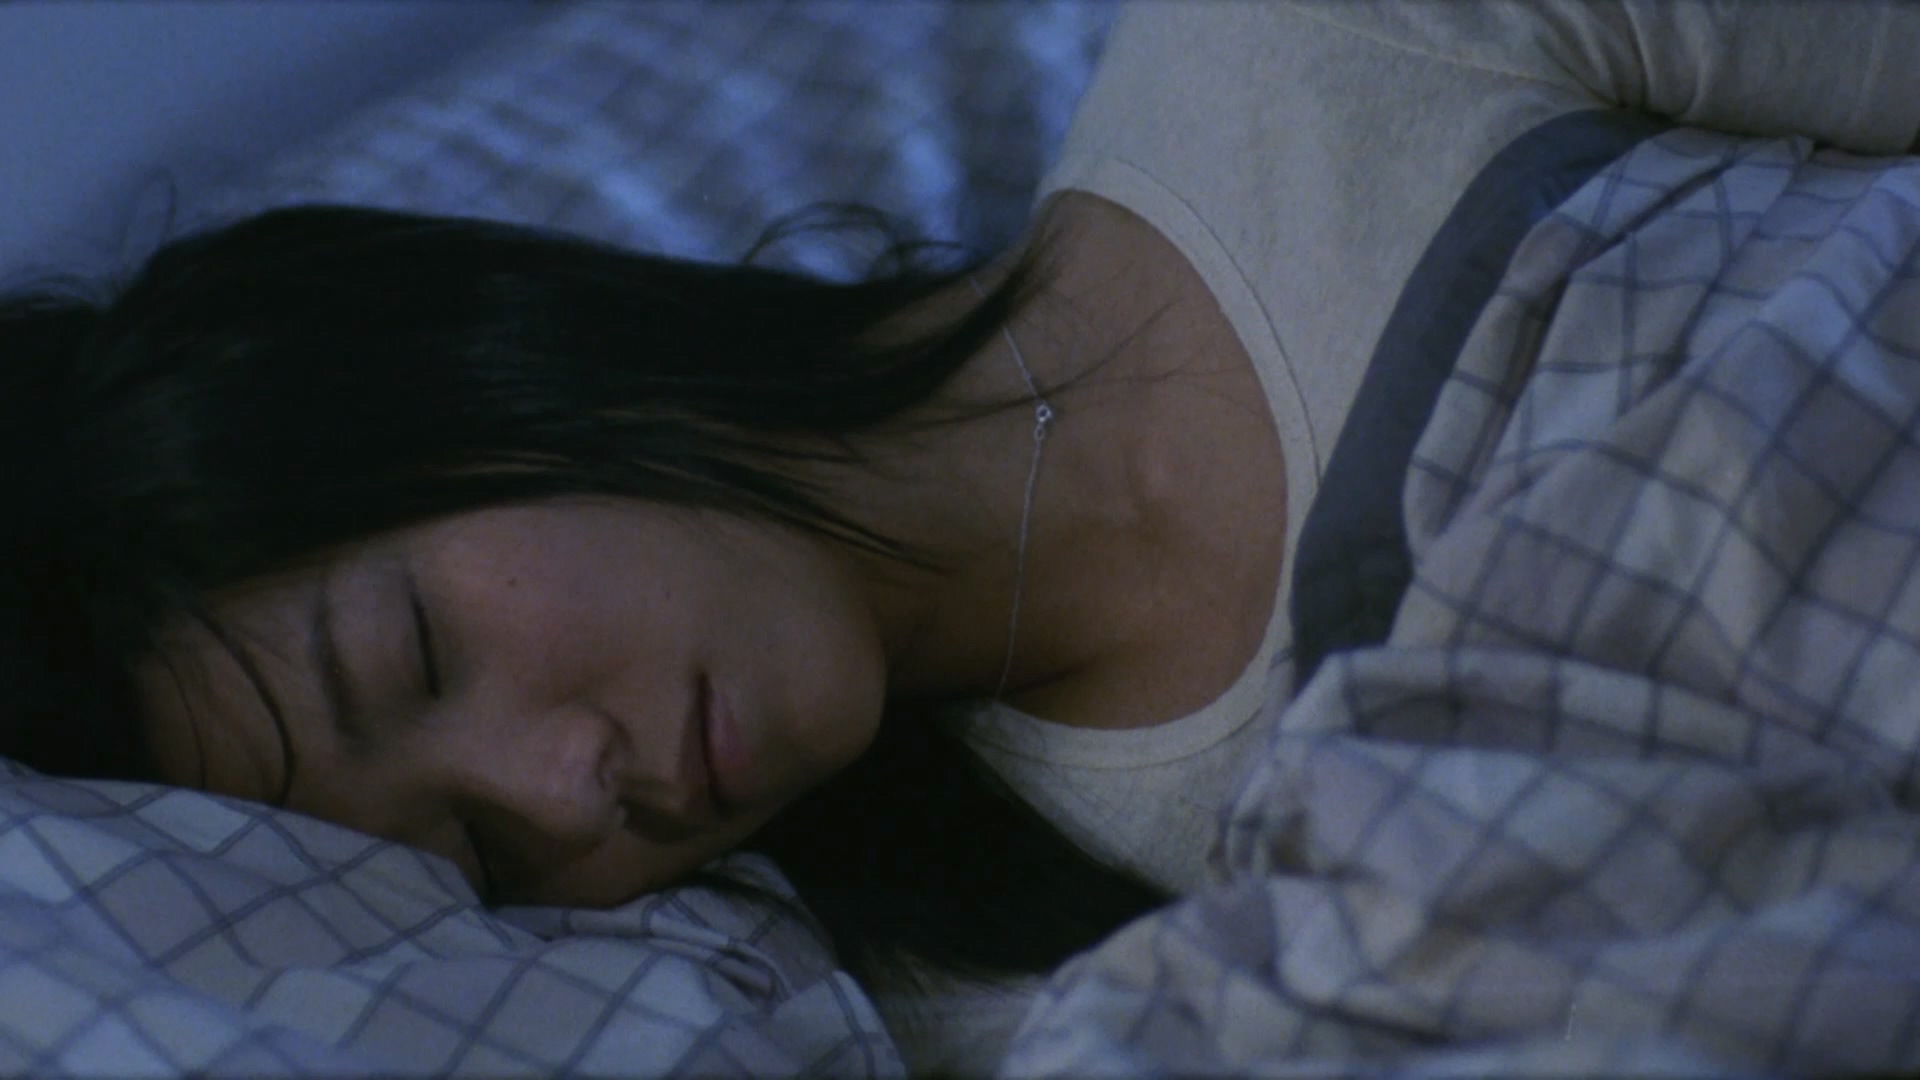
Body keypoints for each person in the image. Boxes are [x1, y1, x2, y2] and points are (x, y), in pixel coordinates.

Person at [4, 0, 1920, 1073]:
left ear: (457, 371)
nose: (574, 790)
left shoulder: (1316, 51)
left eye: (422, 653)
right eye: (486, 854)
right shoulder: (986, 1012)